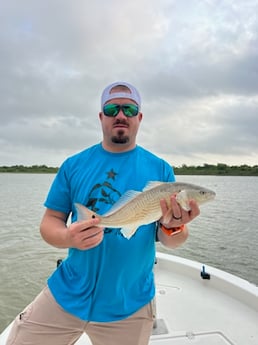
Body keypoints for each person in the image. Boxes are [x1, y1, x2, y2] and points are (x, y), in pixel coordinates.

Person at [6, 81, 200, 345]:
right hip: (67, 292)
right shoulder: (73, 165)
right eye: (112, 108)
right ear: (101, 117)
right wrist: (68, 238)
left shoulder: (161, 170)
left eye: (129, 110)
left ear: (139, 118)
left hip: (129, 303)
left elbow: (173, 240)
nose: (121, 115)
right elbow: (50, 222)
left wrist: (173, 226)